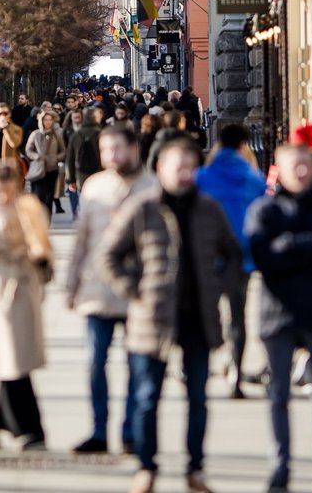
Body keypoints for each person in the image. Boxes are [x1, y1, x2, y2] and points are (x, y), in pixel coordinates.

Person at [99, 139, 241, 493]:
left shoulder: (209, 209)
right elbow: (109, 256)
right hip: (152, 318)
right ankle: (146, 466)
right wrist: (136, 291)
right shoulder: (143, 207)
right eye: (176, 166)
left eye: (189, 166)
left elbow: (234, 254)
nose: (183, 172)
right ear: (159, 169)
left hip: (198, 318)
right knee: (148, 397)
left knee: (198, 397)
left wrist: (218, 285)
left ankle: (195, 468)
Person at [246, 145, 312, 493]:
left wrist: (288, 245)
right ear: (280, 170)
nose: (302, 173)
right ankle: (280, 466)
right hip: (276, 314)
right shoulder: (265, 209)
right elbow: (261, 254)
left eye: (306, 166)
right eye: (295, 167)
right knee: (278, 394)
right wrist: (307, 248)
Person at [65, 126, 155, 455]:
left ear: (134, 149)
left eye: (117, 149)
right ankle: (98, 430)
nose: (111, 156)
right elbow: (82, 238)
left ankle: (131, 430)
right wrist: (71, 283)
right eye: (105, 150)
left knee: (137, 365)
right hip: (97, 291)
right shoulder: (94, 186)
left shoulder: (152, 186)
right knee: (94, 363)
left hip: (138, 293)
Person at [0, 160, 53, 451]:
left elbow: (42, 244)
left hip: (22, 285)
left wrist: (38, 254)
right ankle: (20, 426)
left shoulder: (27, 206)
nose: (4, 196)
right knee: (9, 359)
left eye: (8, 190)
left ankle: (5, 425)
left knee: (15, 358)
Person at [196, 124, 266, 400]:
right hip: (242, 255)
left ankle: (202, 367)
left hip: (208, 254)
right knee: (238, 315)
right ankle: (236, 370)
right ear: (244, 146)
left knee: (205, 313)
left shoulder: (202, 177)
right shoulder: (254, 179)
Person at [25, 110, 65, 219]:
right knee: (39, 196)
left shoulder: (57, 135)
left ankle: (47, 218)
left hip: (52, 169)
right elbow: (28, 150)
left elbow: (63, 151)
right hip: (39, 168)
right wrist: (36, 157)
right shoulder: (35, 134)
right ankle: (38, 218)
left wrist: (56, 158)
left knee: (49, 196)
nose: (47, 122)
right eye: (45, 120)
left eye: (50, 120)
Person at [65, 107, 103, 200]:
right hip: (99, 173)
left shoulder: (76, 135)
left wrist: (71, 180)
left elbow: (70, 159)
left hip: (81, 173)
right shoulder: (102, 134)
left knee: (84, 200)